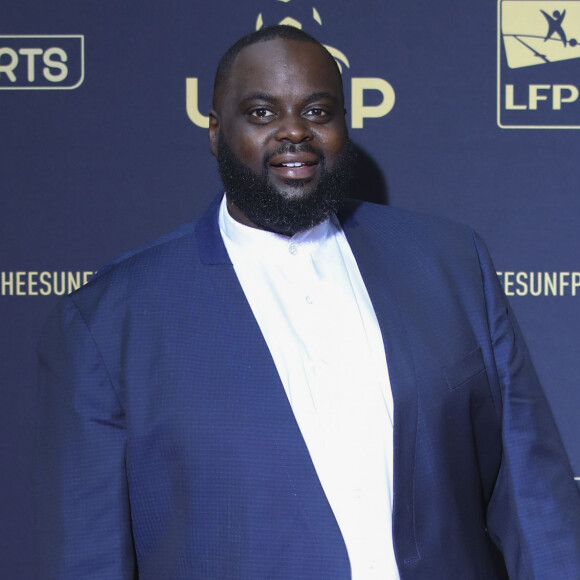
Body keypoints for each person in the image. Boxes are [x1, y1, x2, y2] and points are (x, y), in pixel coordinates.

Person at [34, 25, 580, 579]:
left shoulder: (450, 262)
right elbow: (86, 557)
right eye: (263, 113)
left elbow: (535, 499)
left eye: (318, 112)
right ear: (216, 132)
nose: (294, 131)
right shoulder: (108, 321)